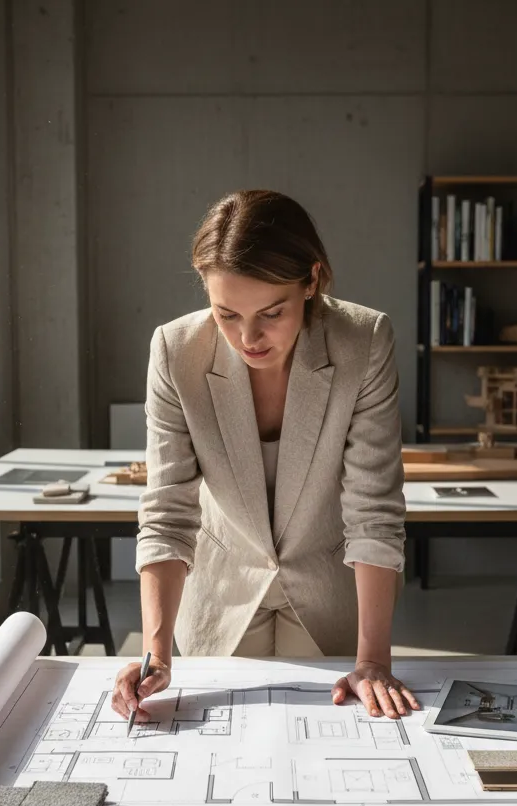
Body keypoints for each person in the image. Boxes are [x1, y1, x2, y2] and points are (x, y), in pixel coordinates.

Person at [111, 190, 418, 723]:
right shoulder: (175, 350)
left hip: (330, 597)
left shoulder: (363, 342)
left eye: (271, 313)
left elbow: (373, 507)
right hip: (221, 598)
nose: (247, 337)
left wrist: (372, 658)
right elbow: (168, 510)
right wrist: (155, 650)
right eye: (226, 313)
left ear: (312, 281)